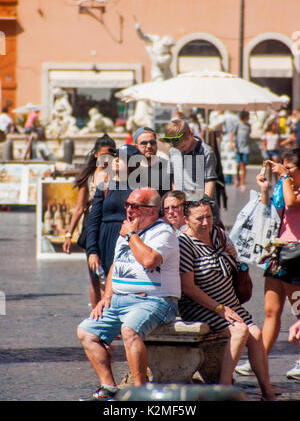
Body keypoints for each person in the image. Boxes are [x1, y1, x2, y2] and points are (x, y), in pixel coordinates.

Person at [77, 188, 181, 401]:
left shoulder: (163, 232)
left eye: (135, 206)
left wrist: (132, 235)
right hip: (119, 299)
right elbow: (116, 265)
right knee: (86, 332)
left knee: (129, 329)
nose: (129, 210)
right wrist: (106, 297)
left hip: (155, 300)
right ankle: (109, 387)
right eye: (127, 205)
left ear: (152, 211)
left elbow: (150, 260)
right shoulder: (127, 231)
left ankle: (139, 391)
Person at [178, 197, 276, 400]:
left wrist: (237, 262)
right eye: (199, 219)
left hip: (229, 303)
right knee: (240, 331)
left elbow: (236, 266)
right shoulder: (184, 243)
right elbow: (188, 287)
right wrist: (219, 309)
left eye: (208, 216)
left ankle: (267, 392)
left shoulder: (218, 234)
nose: (205, 222)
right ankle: (222, 390)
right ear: (186, 220)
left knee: (256, 334)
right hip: (202, 306)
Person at [235, 148, 300, 381]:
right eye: (284, 168)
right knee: (271, 311)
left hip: (296, 253)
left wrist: (283, 177)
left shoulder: (292, 188)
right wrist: (264, 189)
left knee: (299, 309)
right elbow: (271, 211)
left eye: (290, 168)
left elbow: (292, 204)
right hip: (277, 251)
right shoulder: (284, 186)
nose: (286, 172)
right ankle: (258, 359)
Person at [62, 134, 116, 308]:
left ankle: (110, 314)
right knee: (94, 275)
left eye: (110, 154)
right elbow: (79, 207)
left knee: (111, 273)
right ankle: (97, 317)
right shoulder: (89, 177)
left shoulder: (119, 175)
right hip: (92, 228)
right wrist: (69, 234)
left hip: (111, 227)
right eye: (103, 154)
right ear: (96, 155)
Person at [85, 144, 141, 284]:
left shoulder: (139, 189)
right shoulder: (104, 186)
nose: (115, 160)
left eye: (121, 158)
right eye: (115, 156)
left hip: (129, 242)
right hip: (105, 241)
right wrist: (92, 251)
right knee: (104, 288)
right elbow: (93, 221)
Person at [162, 119, 219, 223]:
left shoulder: (206, 152)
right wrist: (176, 199)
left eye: (183, 146)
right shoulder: (173, 151)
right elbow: (174, 178)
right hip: (182, 208)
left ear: (191, 134)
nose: (181, 150)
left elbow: (210, 181)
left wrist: (203, 204)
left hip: (201, 209)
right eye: (177, 147)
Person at [133, 126, 172, 197]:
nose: (149, 146)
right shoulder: (130, 168)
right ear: (136, 146)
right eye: (144, 143)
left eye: (152, 142)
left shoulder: (168, 167)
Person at [230, 111, 251, 191]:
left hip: (246, 148)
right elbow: (232, 134)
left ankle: (242, 182)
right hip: (238, 147)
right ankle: (237, 179)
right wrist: (232, 143)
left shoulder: (248, 125)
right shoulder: (237, 124)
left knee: (243, 165)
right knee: (238, 165)